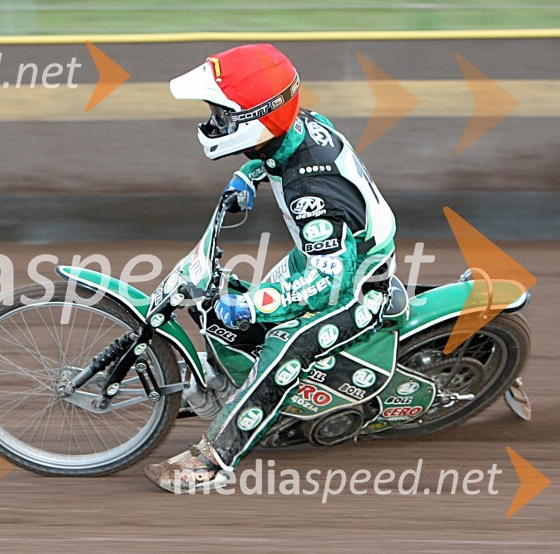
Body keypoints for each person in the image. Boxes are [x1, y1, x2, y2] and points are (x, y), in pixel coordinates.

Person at [144, 44, 397, 493]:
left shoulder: (311, 193)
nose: (212, 123)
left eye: (222, 115)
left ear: (256, 118)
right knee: (229, 304)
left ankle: (215, 457)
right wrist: (252, 173)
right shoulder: (300, 126)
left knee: (283, 344)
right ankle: (229, 380)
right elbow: (286, 148)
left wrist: (251, 306)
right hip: (322, 255)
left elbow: (327, 286)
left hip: (358, 287)